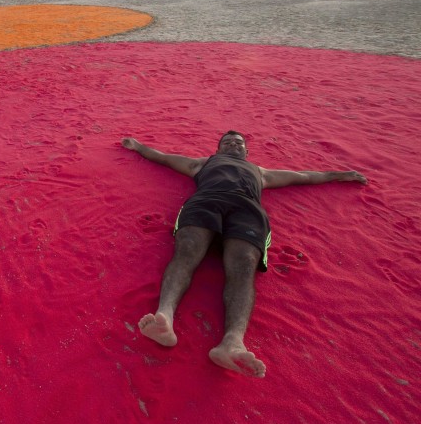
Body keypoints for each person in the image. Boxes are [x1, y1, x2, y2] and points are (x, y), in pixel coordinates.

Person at [122, 131, 367, 378]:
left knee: (244, 264)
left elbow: (302, 176)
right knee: (186, 249)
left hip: (246, 209)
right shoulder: (202, 163)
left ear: (247, 152)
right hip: (206, 201)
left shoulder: (261, 172)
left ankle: (232, 342)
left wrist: (337, 175)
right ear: (218, 150)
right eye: (227, 142)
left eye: (238, 143)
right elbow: (163, 157)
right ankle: (164, 316)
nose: (233, 144)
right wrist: (138, 146)